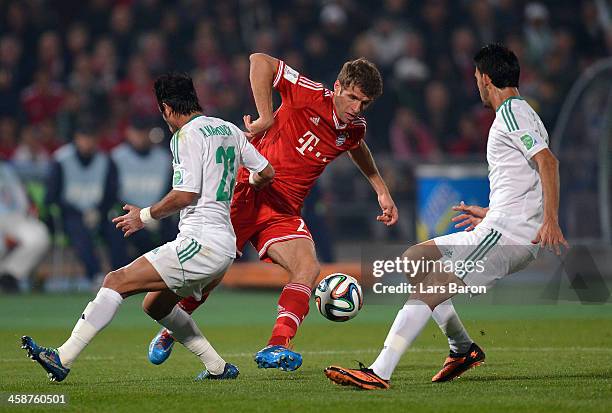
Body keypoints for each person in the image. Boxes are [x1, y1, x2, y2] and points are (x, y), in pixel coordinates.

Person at [324, 44, 568, 389]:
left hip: (508, 236)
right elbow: (528, 174)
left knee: (432, 283)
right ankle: (462, 348)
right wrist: (490, 212)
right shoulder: (518, 113)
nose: (475, 84)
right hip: (502, 225)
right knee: (415, 261)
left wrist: (551, 220)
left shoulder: (512, 113)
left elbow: (548, 162)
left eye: (475, 78)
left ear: (485, 79)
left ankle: (379, 371)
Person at [148, 53, 399, 371]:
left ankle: (276, 345)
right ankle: (170, 329)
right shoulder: (309, 93)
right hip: (246, 192)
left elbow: (357, 145)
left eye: (363, 104)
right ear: (337, 87)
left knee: (308, 269)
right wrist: (266, 116)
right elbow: (259, 61)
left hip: (282, 211)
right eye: (351, 98)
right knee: (207, 279)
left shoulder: (354, 129)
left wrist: (381, 188)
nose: (355, 109)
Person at [21, 72, 274, 382]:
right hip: (223, 246)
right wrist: (244, 182)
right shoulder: (229, 129)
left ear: (166, 108)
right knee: (156, 304)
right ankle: (218, 367)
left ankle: (63, 357)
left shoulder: (184, 136)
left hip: (201, 242)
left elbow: (185, 194)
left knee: (115, 281)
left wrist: (144, 216)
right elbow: (266, 172)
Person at [45, 121, 129, 284]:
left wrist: (98, 211)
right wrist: (76, 212)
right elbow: (52, 196)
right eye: (84, 138)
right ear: (76, 139)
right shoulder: (61, 160)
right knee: (79, 230)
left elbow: (112, 193)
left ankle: (121, 276)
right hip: (70, 214)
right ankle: (96, 275)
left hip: (99, 213)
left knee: (117, 229)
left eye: (91, 138)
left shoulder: (106, 161)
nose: (87, 143)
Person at [111, 115, 176, 256]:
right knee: (117, 230)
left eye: (144, 132)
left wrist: (154, 213)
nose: (140, 136)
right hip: (126, 211)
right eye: (137, 132)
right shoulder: (117, 157)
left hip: (157, 212)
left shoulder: (164, 159)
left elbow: (169, 191)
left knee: (174, 231)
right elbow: (112, 192)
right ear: (128, 132)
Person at [0, 160, 50, 293]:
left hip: (16, 217)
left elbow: (21, 195)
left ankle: (9, 275)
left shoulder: (7, 169)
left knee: (39, 235)